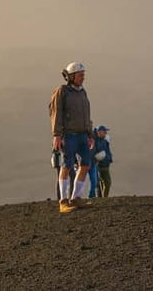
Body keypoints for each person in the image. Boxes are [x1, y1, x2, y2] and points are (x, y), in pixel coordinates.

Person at [49, 61, 95, 213]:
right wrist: (57, 135)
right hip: (69, 135)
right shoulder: (62, 91)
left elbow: (86, 114)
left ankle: (75, 198)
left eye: (83, 75)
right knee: (67, 165)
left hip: (82, 135)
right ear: (71, 76)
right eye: (80, 75)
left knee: (86, 164)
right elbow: (56, 114)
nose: (83, 78)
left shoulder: (82, 92)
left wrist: (90, 133)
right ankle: (63, 201)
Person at [93, 125, 113, 197]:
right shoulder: (96, 141)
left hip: (106, 164)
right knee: (107, 182)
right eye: (104, 131)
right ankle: (104, 198)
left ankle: (102, 198)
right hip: (100, 165)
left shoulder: (104, 141)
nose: (105, 133)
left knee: (102, 183)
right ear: (99, 132)